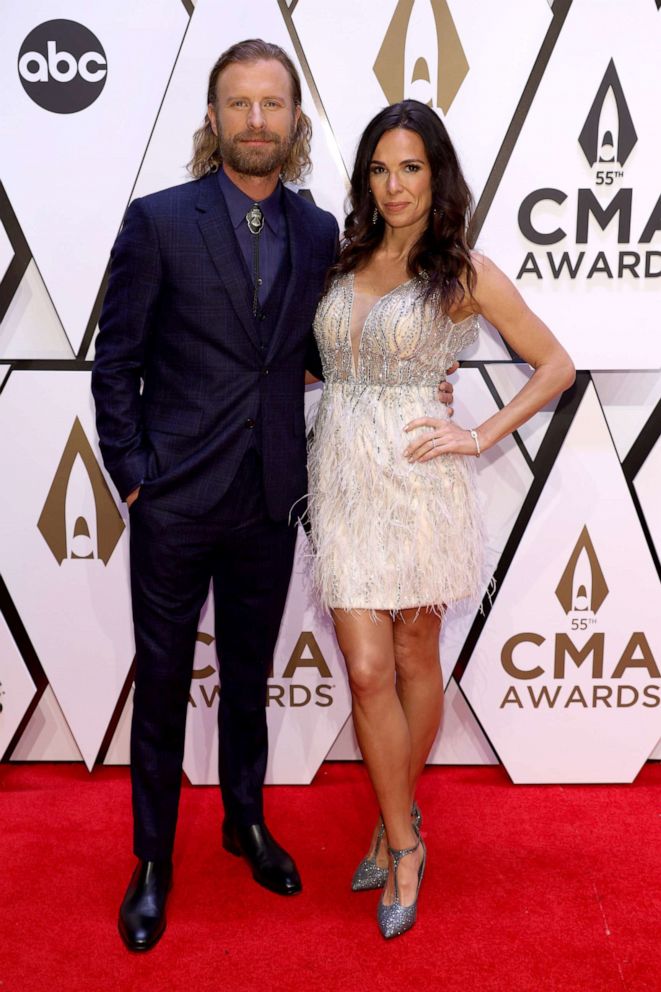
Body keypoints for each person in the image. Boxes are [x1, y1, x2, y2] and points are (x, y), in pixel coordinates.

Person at [91, 39, 345, 952]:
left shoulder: (318, 231)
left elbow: (313, 352)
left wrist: (399, 376)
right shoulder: (158, 221)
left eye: (271, 105)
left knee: (249, 682)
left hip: (270, 497)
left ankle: (245, 823)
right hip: (174, 499)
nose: (255, 121)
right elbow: (114, 359)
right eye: (238, 105)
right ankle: (152, 860)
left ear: (294, 121)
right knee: (159, 688)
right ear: (212, 118)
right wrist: (135, 475)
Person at [307, 100, 575, 939]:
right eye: (380, 169)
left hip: (421, 478)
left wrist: (478, 432)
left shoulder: (462, 271)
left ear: (437, 176)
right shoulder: (342, 255)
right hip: (344, 477)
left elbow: (554, 365)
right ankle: (401, 827)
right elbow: (324, 367)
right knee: (363, 667)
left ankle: (400, 838)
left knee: (415, 652)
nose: (394, 186)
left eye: (410, 168)